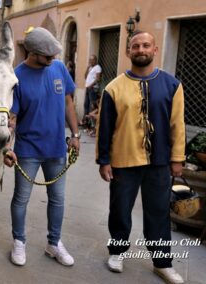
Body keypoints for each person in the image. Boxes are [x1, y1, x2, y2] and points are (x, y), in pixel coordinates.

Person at [96, 31, 185, 284]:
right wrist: (104, 160)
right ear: (128, 52)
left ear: (155, 50)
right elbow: (105, 127)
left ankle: (162, 263)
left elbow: (177, 124)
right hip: (123, 161)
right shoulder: (113, 88)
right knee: (120, 210)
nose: (141, 49)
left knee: (158, 213)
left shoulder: (172, 85)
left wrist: (177, 158)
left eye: (146, 45)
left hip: (159, 161)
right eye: (136, 46)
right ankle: (117, 252)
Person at [3, 27, 80, 267]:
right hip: (27, 151)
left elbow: (68, 102)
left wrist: (76, 135)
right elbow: (12, 118)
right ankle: (19, 242)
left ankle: (54, 244)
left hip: (57, 149)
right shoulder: (17, 76)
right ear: (33, 53)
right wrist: (7, 147)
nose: (53, 59)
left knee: (57, 199)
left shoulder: (57, 69)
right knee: (21, 199)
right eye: (48, 56)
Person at [81, 55, 101, 125]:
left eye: (91, 60)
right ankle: (85, 122)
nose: (90, 61)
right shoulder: (90, 68)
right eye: (89, 60)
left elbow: (98, 79)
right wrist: (87, 67)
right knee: (86, 104)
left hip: (92, 89)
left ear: (95, 60)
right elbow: (85, 76)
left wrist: (91, 85)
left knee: (91, 106)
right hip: (88, 88)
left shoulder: (98, 67)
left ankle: (91, 124)